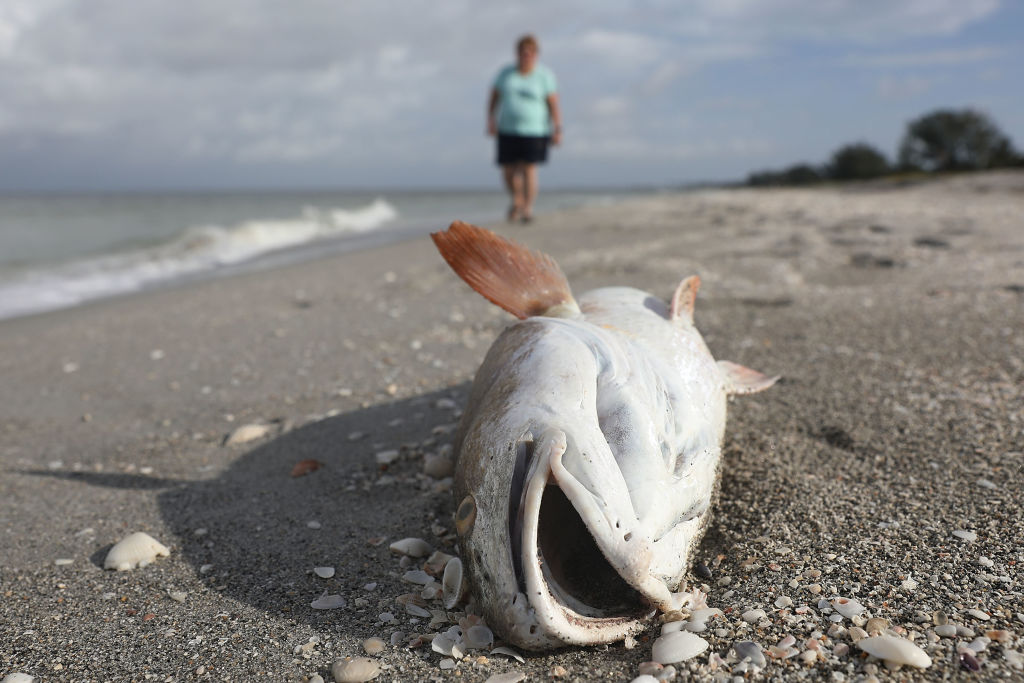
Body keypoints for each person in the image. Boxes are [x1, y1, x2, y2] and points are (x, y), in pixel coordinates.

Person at [487, 34, 562, 223]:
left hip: (535, 130)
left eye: (530, 52)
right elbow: (494, 97)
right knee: (508, 171)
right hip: (507, 129)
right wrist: (491, 120)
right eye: (523, 52)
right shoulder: (505, 74)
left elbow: (553, 103)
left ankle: (527, 209)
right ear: (517, 53)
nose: (526, 55)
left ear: (536, 54)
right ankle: (517, 199)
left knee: (529, 168)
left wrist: (557, 128)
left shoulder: (544, 76)